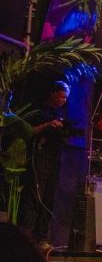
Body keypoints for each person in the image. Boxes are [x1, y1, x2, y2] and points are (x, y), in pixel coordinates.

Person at [22, 80, 71, 242]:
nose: (64, 100)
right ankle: (27, 237)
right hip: (40, 158)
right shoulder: (38, 112)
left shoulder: (61, 114)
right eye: (62, 96)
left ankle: (41, 237)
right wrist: (48, 125)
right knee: (34, 197)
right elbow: (29, 131)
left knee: (49, 199)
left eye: (66, 97)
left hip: (54, 160)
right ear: (53, 93)